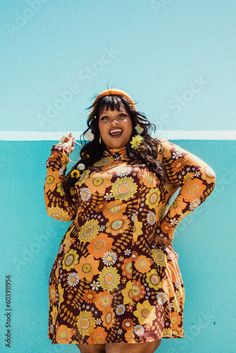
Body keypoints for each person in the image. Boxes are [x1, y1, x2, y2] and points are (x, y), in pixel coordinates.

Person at [44, 88, 216, 353]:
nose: (113, 123)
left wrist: (168, 224)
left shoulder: (156, 152)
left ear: (133, 122)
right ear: (97, 127)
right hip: (83, 275)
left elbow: (203, 176)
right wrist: (57, 163)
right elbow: (58, 210)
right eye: (105, 118)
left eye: (120, 116)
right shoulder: (86, 165)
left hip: (140, 272)